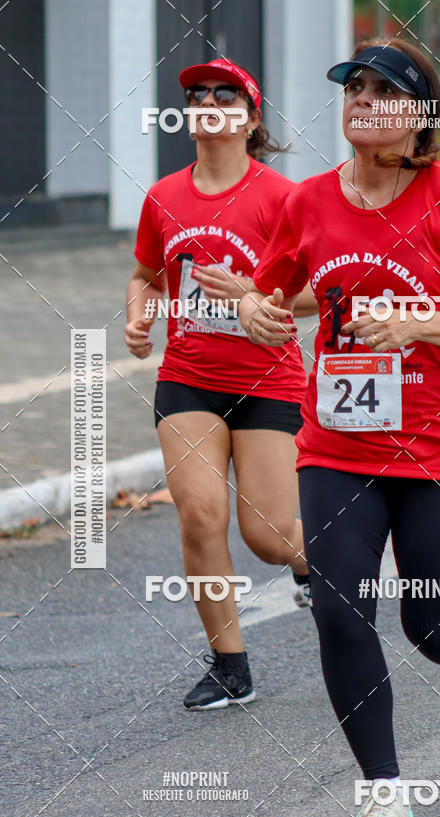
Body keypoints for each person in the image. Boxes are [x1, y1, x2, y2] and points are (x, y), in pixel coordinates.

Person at [240, 38, 440, 817]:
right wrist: (262, 314)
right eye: (353, 86)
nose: (362, 97)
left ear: (418, 123)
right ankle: (386, 799)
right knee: (337, 609)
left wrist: (416, 323)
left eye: (384, 89)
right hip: (336, 443)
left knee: (433, 626)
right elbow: (279, 293)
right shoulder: (307, 202)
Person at [124, 58, 315, 711]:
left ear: (251, 117)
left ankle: (309, 562)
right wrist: (139, 315)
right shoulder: (163, 197)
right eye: (197, 94)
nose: (207, 101)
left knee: (268, 536)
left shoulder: (283, 199)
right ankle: (231, 667)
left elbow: (321, 289)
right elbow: (148, 273)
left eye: (225, 95)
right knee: (200, 514)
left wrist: (256, 295)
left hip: (269, 380)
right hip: (188, 378)